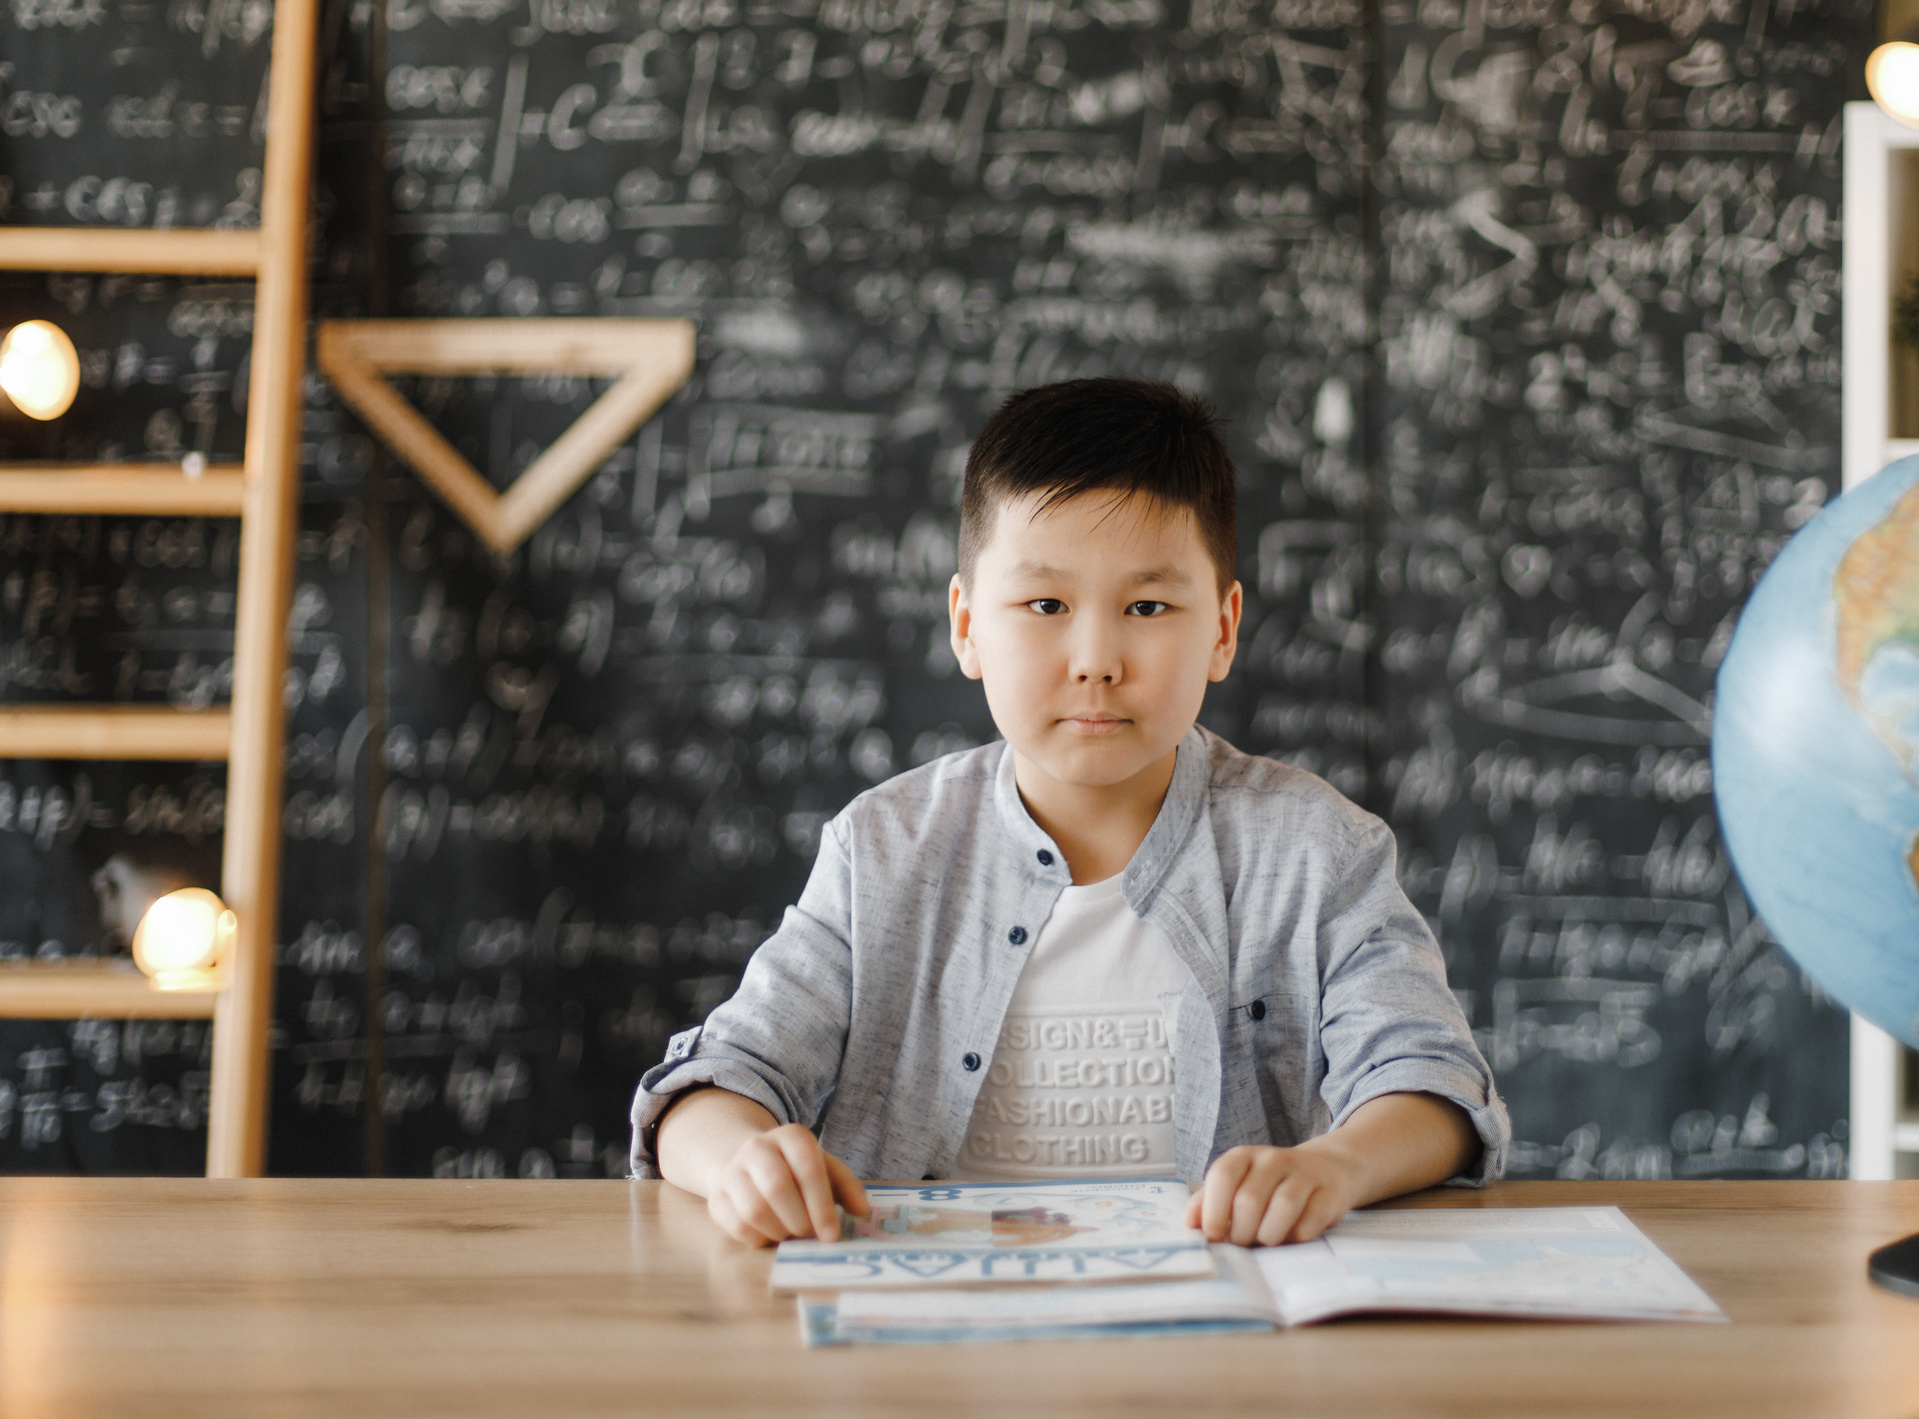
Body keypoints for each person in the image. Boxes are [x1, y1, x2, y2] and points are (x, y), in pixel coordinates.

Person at [631, 377, 1508, 1248]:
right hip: (931, 1361)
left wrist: (1335, 1165)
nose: (1096, 658)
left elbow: (1432, 1081)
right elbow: (712, 1085)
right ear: (967, 625)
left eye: (1148, 606)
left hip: (1228, 1360)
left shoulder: (1316, 851)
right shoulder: (883, 850)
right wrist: (742, 1159)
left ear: (1224, 628)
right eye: (1045, 604)